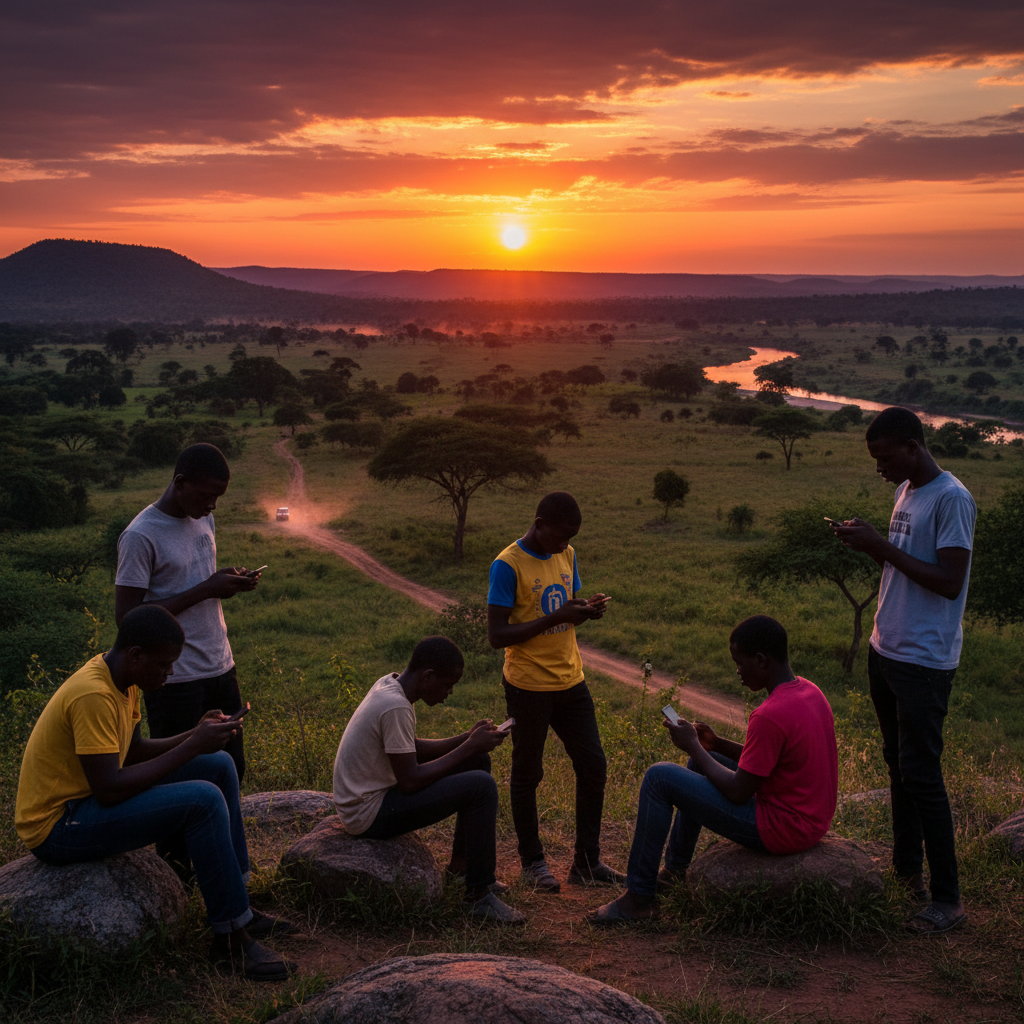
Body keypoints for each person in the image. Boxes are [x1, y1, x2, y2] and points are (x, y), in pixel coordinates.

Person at [14, 604, 297, 980]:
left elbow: (131, 751)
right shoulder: (93, 695)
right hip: (59, 826)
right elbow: (109, 789)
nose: (170, 672)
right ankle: (230, 940)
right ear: (136, 655)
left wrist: (196, 734)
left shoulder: (122, 679)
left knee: (219, 765)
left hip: (88, 801)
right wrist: (192, 746)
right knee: (203, 800)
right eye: (164, 664)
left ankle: (239, 904)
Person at [587, 615, 837, 925]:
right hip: (810, 818)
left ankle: (638, 900)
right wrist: (715, 744)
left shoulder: (769, 714)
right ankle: (674, 872)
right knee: (703, 762)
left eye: (740, 663)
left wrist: (693, 745)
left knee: (658, 778)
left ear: (761, 660)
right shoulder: (810, 692)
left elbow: (738, 791)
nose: (737, 671)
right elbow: (771, 760)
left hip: (784, 829)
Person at [832, 406, 975, 935]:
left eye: (886, 458)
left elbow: (949, 583)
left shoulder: (952, 498)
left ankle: (948, 899)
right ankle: (906, 871)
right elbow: (904, 565)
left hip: (923, 659)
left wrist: (881, 545)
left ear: (914, 447)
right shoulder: (905, 490)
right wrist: (870, 545)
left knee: (922, 775)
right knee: (898, 766)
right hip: (886, 647)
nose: (880, 469)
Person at [332, 636, 524, 924]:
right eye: (447, 685)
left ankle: (461, 869)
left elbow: (407, 747)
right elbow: (410, 781)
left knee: (478, 761)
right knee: (481, 786)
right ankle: (478, 896)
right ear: (428, 676)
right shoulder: (395, 706)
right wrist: (468, 746)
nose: (449, 692)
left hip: (372, 799)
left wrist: (467, 740)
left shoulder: (390, 685)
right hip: (367, 814)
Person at [487, 490, 623, 892]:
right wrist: (555, 617)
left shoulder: (567, 554)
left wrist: (585, 611)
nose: (565, 545)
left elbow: (564, 608)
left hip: (570, 679)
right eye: (560, 536)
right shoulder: (507, 564)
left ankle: (586, 863)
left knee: (593, 765)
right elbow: (497, 636)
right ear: (539, 524)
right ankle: (533, 863)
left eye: (570, 538)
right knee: (528, 773)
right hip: (528, 686)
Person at [115, 443, 258, 787]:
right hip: (174, 678)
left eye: (218, 497)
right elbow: (128, 618)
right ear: (180, 483)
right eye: (208, 495)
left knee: (232, 768)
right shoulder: (140, 535)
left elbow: (196, 580)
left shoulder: (203, 518)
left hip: (220, 665)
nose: (212, 505)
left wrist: (227, 582)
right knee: (185, 778)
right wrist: (207, 588)